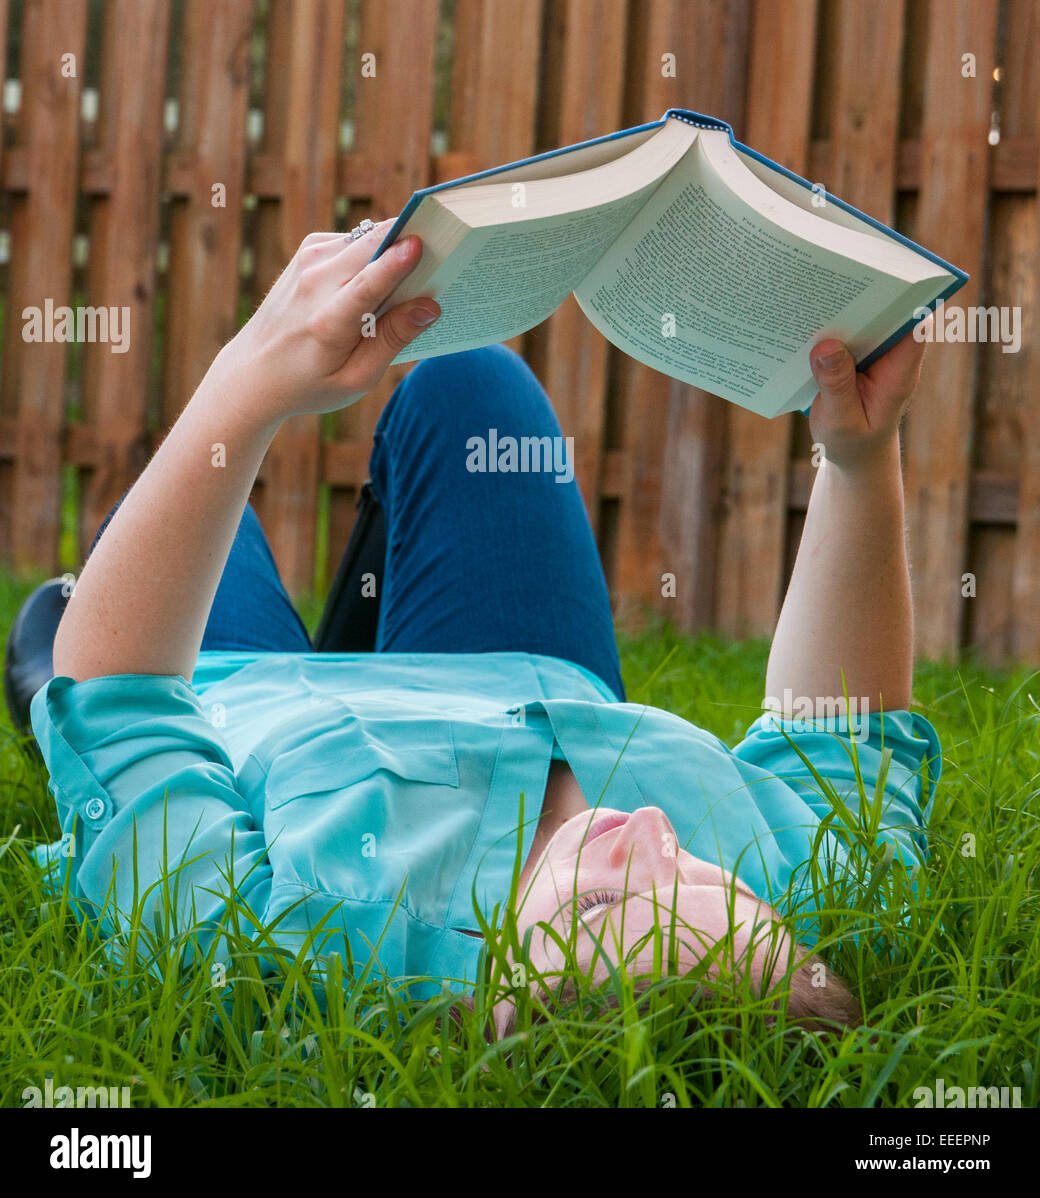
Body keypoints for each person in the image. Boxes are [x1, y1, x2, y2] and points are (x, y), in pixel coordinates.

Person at [12, 220, 940, 1036]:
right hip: (522, 670)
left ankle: (38, 647)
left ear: (500, 1005)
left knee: (129, 558)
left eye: (607, 904)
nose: (653, 832)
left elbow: (122, 692)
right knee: (472, 374)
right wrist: (857, 452)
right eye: (722, 887)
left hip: (237, 690)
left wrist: (249, 386)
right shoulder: (818, 906)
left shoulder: (291, 945)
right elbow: (842, 729)